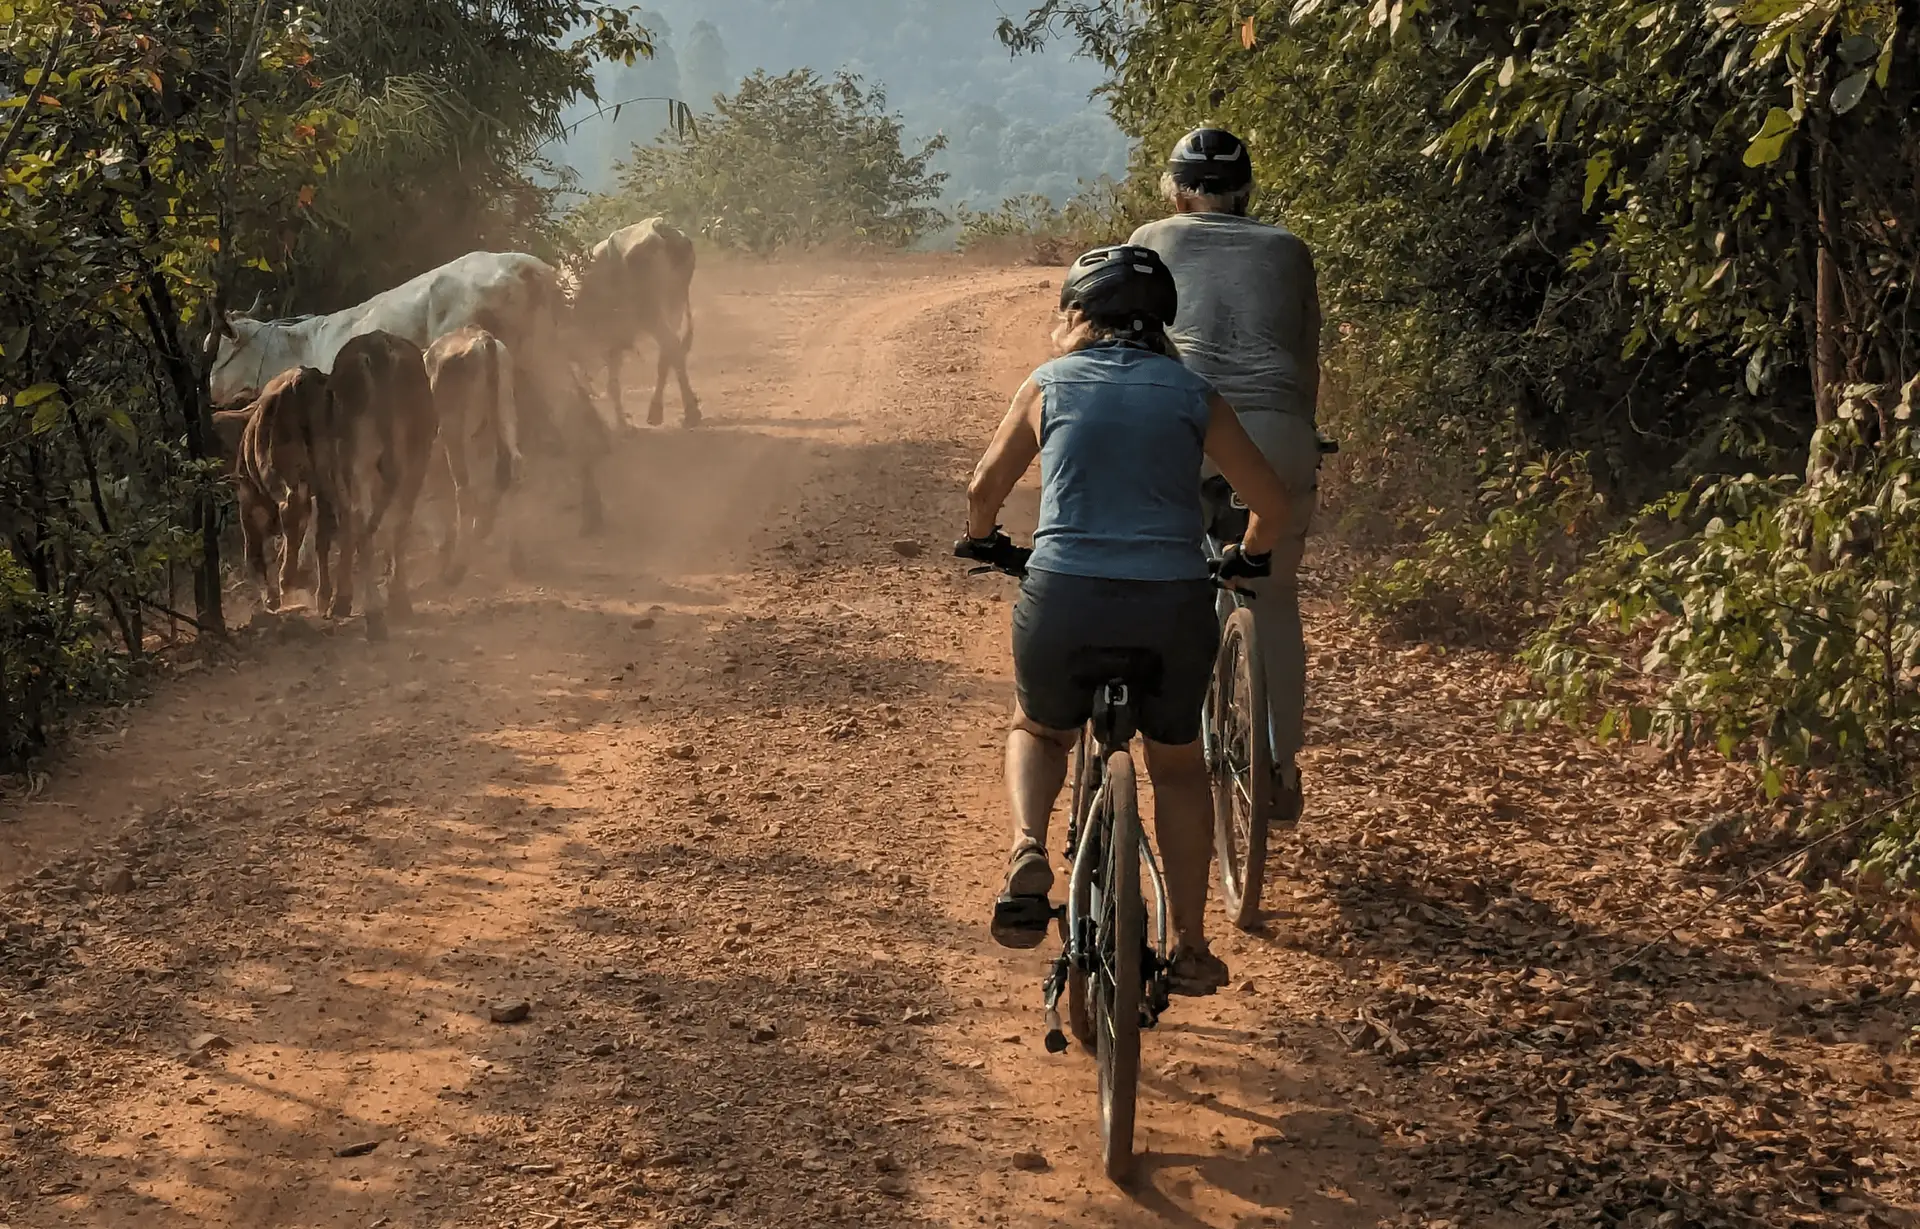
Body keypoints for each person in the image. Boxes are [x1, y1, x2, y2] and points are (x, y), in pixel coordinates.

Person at [958, 245, 1295, 996]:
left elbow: (983, 488)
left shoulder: (1047, 383)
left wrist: (984, 538)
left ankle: (1024, 846)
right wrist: (1246, 555)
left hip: (1064, 600)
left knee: (1040, 727)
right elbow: (1273, 505)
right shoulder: (1191, 392)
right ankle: (1192, 944)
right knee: (1177, 767)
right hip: (1172, 605)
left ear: (1079, 315)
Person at [1128, 127, 1323, 827]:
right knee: (1273, 595)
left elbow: (1135, 343)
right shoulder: (1290, 250)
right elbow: (1304, 363)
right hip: (1276, 433)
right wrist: (1301, 437)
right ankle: (1279, 762)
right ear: (1247, 190)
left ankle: (1165, 731)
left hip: (1183, 421)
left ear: (1177, 189)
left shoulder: (1151, 235)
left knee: (1167, 576)